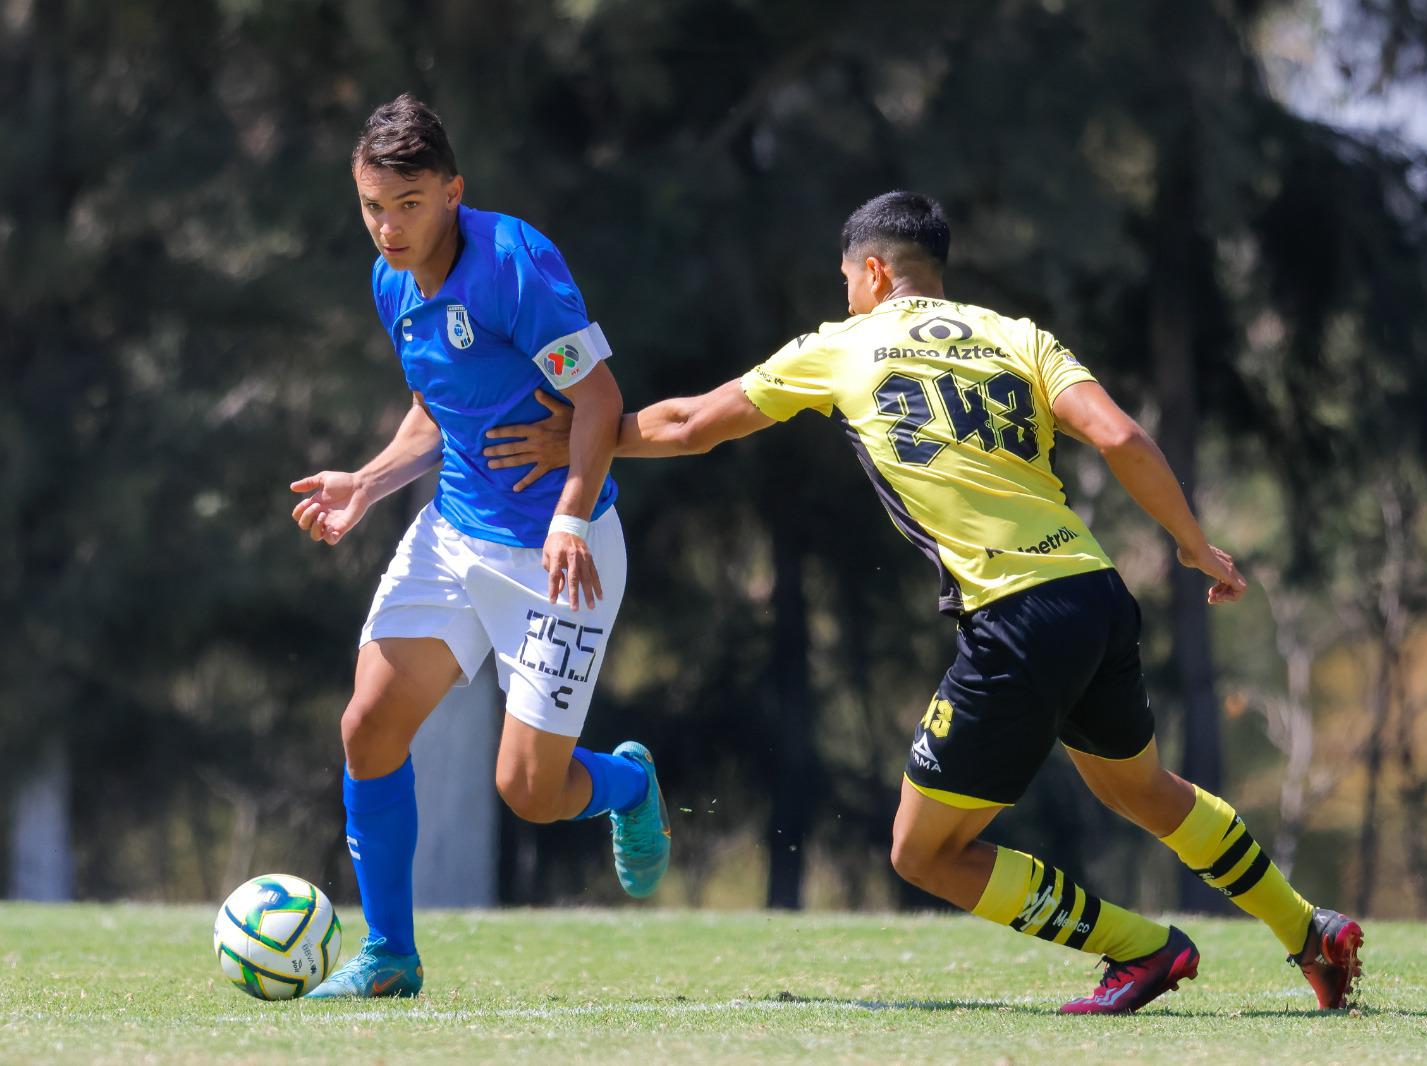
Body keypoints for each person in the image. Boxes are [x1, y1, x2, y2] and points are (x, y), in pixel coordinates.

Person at [485, 191, 1363, 1014]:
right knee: (1145, 790)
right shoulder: (1019, 336)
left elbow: (687, 425)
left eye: (846, 282)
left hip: (1014, 618)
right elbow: (1123, 435)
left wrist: (582, 440)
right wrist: (1190, 542)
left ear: (871, 274)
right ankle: (1306, 929)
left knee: (922, 853)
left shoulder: (842, 345)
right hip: (1094, 594)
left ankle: (1142, 949)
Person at [288, 95, 670, 999]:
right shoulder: (391, 282)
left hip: (558, 556)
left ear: (453, 193)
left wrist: (572, 514)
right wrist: (367, 484)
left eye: (409, 204)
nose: (389, 227)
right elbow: (438, 409)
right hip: (454, 534)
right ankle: (390, 958)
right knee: (367, 728)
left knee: (530, 792)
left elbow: (601, 401)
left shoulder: (513, 264)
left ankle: (625, 784)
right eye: (373, 206)